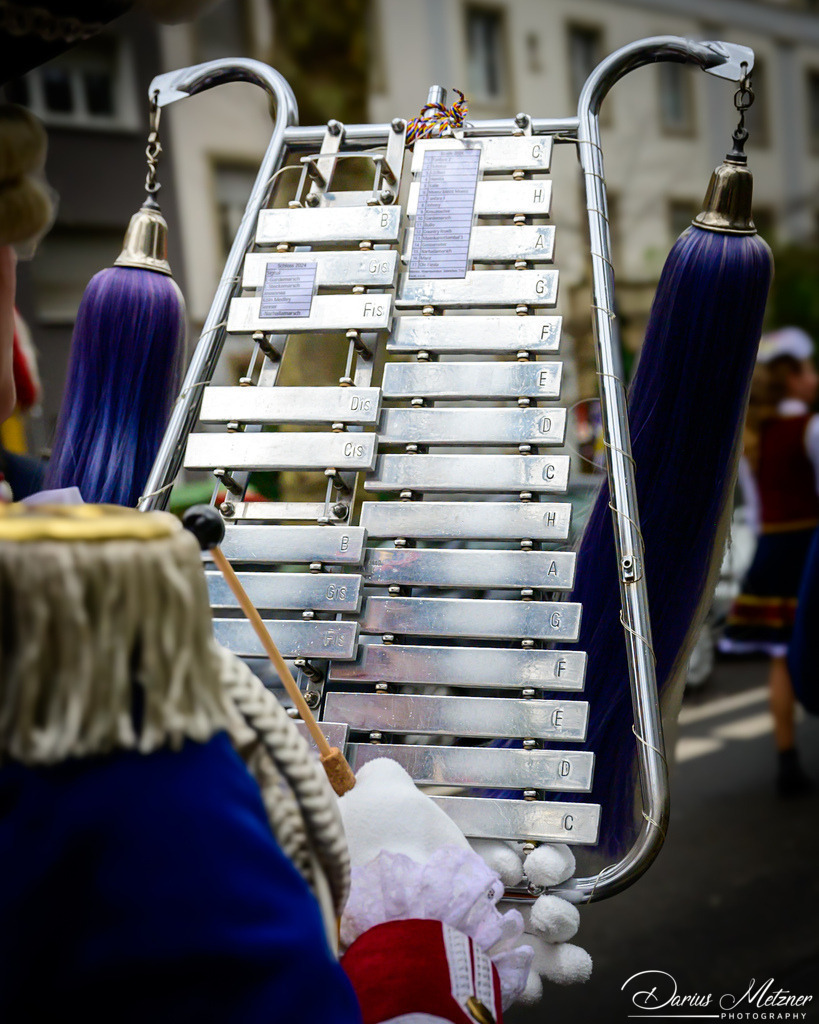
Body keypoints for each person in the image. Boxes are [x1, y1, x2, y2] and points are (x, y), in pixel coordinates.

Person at [719, 327, 819, 796]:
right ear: (793, 378)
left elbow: (755, 507)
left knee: (782, 658)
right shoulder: (810, 427)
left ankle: (786, 758)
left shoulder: (753, 436)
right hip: (808, 548)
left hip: (771, 551)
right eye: (809, 369)